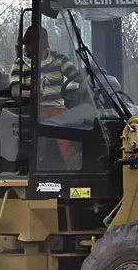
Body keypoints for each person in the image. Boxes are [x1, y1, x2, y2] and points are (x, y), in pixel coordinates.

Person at [8, 26, 85, 168]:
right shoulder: (19, 65)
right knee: (61, 123)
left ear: (43, 46)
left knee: (84, 120)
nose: (28, 49)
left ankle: (80, 160)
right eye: (26, 45)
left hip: (57, 107)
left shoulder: (59, 60)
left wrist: (89, 76)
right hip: (34, 109)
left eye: (31, 45)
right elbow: (15, 91)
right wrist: (30, 94)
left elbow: (79, 78)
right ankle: (70, 161)